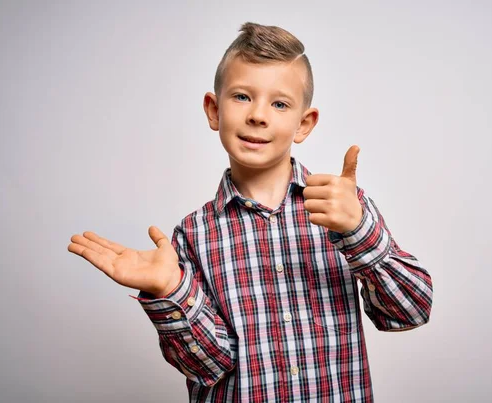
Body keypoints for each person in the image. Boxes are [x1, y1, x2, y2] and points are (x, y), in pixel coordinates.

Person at [68, 22, 433, 402]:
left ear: (303, 124)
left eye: (279, 103)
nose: (259, 115)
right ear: (214, 110)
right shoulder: (192, 236)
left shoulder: (342, 208)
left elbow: (410, 311)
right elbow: (208, 366)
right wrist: (171, 290)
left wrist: (358, 232)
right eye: (242, 97)